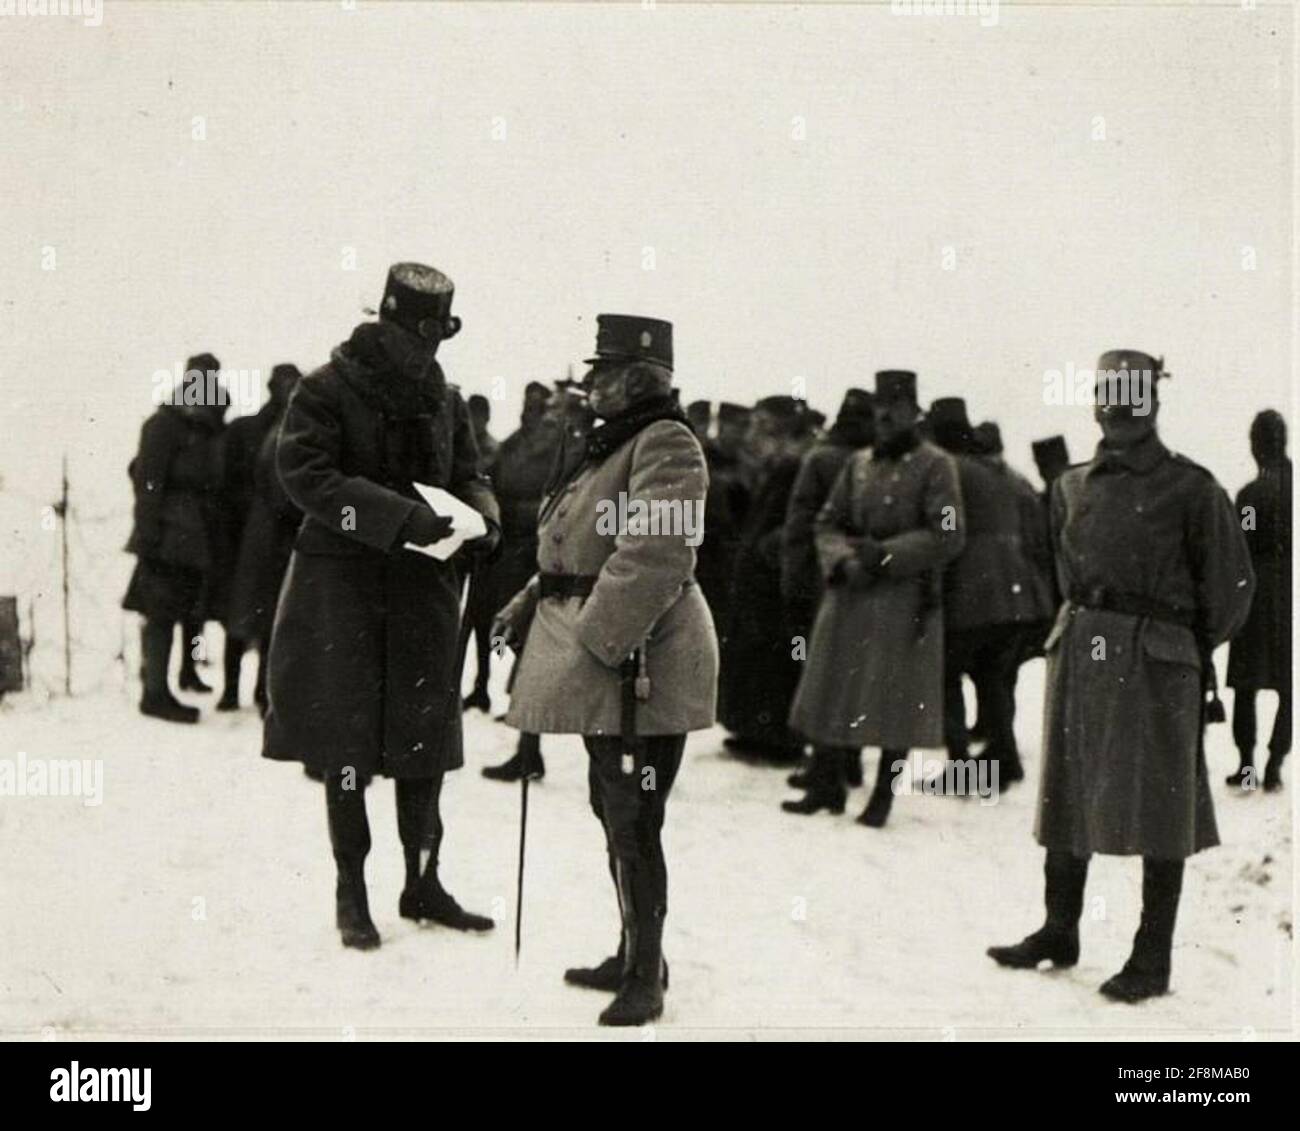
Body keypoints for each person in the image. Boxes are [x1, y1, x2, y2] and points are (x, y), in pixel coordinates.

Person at [988, 350, 1254, 1002]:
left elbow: (1232, 589)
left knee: (1161, 805)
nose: (1120, 406)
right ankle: (1059, 928)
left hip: (1157, 665)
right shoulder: (1072, 486)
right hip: (1081, 652)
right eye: (1109, 393)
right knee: (1068, 789)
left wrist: (1173, 645)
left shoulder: (1194, 489)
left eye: (1133, 394)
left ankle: (1152, 956)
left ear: (1154, 402)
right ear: (1095, 401)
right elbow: (1058, 567)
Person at [262, 262, 501, 950]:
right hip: (342, 591)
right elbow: (306, 475)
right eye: (417, 336)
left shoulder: (445, 398)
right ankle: (352, 889)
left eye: (437, 339)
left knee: (424, 741)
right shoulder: (324, 389)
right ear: (386, 324)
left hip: (424, 591)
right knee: (347, 743)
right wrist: (398, 518)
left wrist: (484, 515)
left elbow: (469, 472)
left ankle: (422, 880)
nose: (427, 353)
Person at [494, 314, 717, 1026]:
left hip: (643, 659)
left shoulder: (666, 445)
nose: (589, 382)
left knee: (633, 816)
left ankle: (645, 974)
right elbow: (576, 546)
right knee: (612, 806)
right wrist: (532, 599)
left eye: (602, 370)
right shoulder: (615, 444)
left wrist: (588, 646)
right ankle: (633, 950)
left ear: (636, 379)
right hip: (616, 655)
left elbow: (653, 556)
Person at [783, 370, 965, 824]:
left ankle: (882, 794)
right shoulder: (858, 463)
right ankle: (826, 785)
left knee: (893, 699)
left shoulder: (936, 465)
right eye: (881, 406)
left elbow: (949, 532)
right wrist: (842, 561)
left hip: (904, 596)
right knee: (832, 685)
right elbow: (826, 520)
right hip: (850, 591)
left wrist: (884, 557)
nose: (885, 415)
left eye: (896, 407)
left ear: (912, 412)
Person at [930, 399, 1049, 790]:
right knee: (993, 675)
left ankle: (963, 767)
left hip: (972, 591)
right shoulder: (1009, 474)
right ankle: (1005, 756)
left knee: (946, 674)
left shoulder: (949, 470)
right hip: (1018, 594)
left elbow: (944, 531)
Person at [782, 388, 875, 790]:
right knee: (852, 674)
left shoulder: (820, 458)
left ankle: (823, 766)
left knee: (818, 674)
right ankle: (848, 761)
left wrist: (792, 579)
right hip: (860, 579)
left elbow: (800, 524)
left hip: (817, 580)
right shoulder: (872, 462)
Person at [122, 355, 223, 723]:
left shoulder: (202, 426)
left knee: (186, 610)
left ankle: (180, 677)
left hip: (192, 538)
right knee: (160, 614)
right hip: (166, 536)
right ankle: (155, 693)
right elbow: (148, 482)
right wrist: (148, 535)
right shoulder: (164, 424)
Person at [718, 396, 817, 761]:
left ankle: (776, 736)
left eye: (761, 426)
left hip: (775, 581)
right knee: (758, 656)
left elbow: (798, 520)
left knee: (775, 659)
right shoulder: (777, 466)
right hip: (761, 579)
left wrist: (767, 550)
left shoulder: (792, 466)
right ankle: (754, 730)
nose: (752, 434)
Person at [479, 381, 562, 781]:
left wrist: (511, 512)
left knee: (535, 651)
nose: (531, 410)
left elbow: (556, 504)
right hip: (512, 555)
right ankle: (528, 746)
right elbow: (494, 478)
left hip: (535, 556)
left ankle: (529, 749)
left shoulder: (556, 444)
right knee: (523, 650)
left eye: (539, 404)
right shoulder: (517, 441)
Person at [216, 364, 301, 710]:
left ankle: (258, 691)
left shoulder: (291, 429)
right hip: (253, 533)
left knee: (266, 614)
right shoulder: (248, 429)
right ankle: (234, 691)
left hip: (270, 534)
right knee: (245, 612)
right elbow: (226, 483)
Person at [1225, 409, 1292, 792]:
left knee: (1246, 685)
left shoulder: (1250, 497)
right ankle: (1274, 766)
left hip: (1256, 595)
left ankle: (1248, 767)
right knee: (1289, 688)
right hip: (1291, 598)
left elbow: (1242, 544)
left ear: (1256, 445)